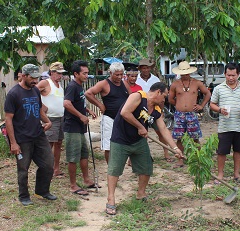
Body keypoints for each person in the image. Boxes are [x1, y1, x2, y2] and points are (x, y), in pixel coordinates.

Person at [105, 82, 183, 215]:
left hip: (139, 141)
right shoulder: (138, 96)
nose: (164, 100)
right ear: (158, 92)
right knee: (115, 169)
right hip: (121, 139)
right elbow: (125, 112)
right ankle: (111, 198)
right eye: (164, 96)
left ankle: (141, 193)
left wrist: (175, 148)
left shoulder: (157, 110)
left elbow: (163, 129)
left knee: (146, 167)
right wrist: (140, 127)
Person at [4, 64, 57, 206]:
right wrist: (13, 143)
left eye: (36, 78)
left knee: (48, 164)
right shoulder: (13, 94)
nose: (35, 80)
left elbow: (39, 109)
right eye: (32, 78)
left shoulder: (35, 91)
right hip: (22, 138)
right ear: (24, 76)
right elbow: (8, 119)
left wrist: (48, 121)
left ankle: (42, 190)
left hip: (38, 134)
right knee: (23, 168)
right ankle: (24, 196)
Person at [210, 63, 240, 182]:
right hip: (224, 126)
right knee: (221, 152)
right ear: (225, 74)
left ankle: (237, 175)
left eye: (233, 75)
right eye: (228, 75)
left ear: (238, 75)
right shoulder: (219, 88)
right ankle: (220, 175)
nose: (231, 78)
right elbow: (212, 104)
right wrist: (219, 110)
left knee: (238, 151)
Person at [63, 60, 98, 196]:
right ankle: (72, 185)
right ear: (76, 73)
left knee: (84, 153)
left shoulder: (79, 86)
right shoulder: (72, 86)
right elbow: (66, 104)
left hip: (80, 127)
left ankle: (86, 180)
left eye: (87, 73)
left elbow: (78, 102)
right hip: (72, 127)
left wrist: (87, 111)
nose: (86, 76)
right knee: (73, 156)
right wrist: (80, 116)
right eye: (84, 73)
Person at [168, 61, 211, 167]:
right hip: (179, 114)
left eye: (186, 72)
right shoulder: (175, 84)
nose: (185, 75)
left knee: (195, 136)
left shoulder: (197, 83)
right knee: (179, 137)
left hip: (192, 114)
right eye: (183, 73)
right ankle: (180, 160)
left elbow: (207, 93)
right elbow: (170, 99)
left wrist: (201, 106)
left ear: (190, 72)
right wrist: (179, 105)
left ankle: (198, 158)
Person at [85, 62, 130, 163]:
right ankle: (111, 169)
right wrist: (100, 105)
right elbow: (88, 93)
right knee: (108, 146)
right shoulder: (104, 84)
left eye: (121, 74)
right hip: (109, 118)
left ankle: (120, 164)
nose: (119, 77)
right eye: (117, 74)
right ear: (110, 73)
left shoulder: (125, 83)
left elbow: (131, 97)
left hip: (123, 118)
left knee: (124, 143)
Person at [37, 61, 67, 177]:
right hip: (49, 118)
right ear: (52, 72)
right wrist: (42, 106)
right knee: (49, 144)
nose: (60, 76)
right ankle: (46, 168)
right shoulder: (45, 82)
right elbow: (33, 92)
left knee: (58, 143)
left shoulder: (59, 86)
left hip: (60, 118)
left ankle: (56, 168)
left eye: (61, 73)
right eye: (58, 73)